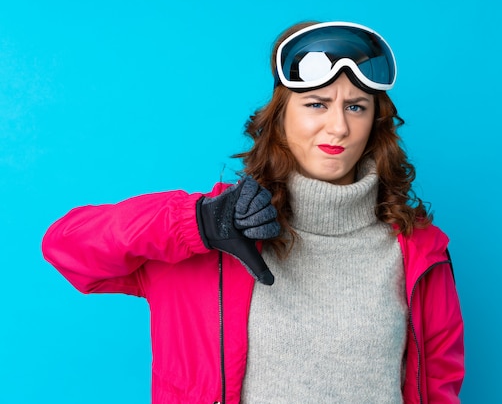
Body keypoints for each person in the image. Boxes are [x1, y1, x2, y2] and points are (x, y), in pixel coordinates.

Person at [42, 21, 464, 403]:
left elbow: (438, 386)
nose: (338, 127)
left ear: (376, 122)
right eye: (316, 104)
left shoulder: (420, 251)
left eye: (355, 106)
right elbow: (67, 247)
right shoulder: (214, 231)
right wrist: (199, 223)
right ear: (280, 117)